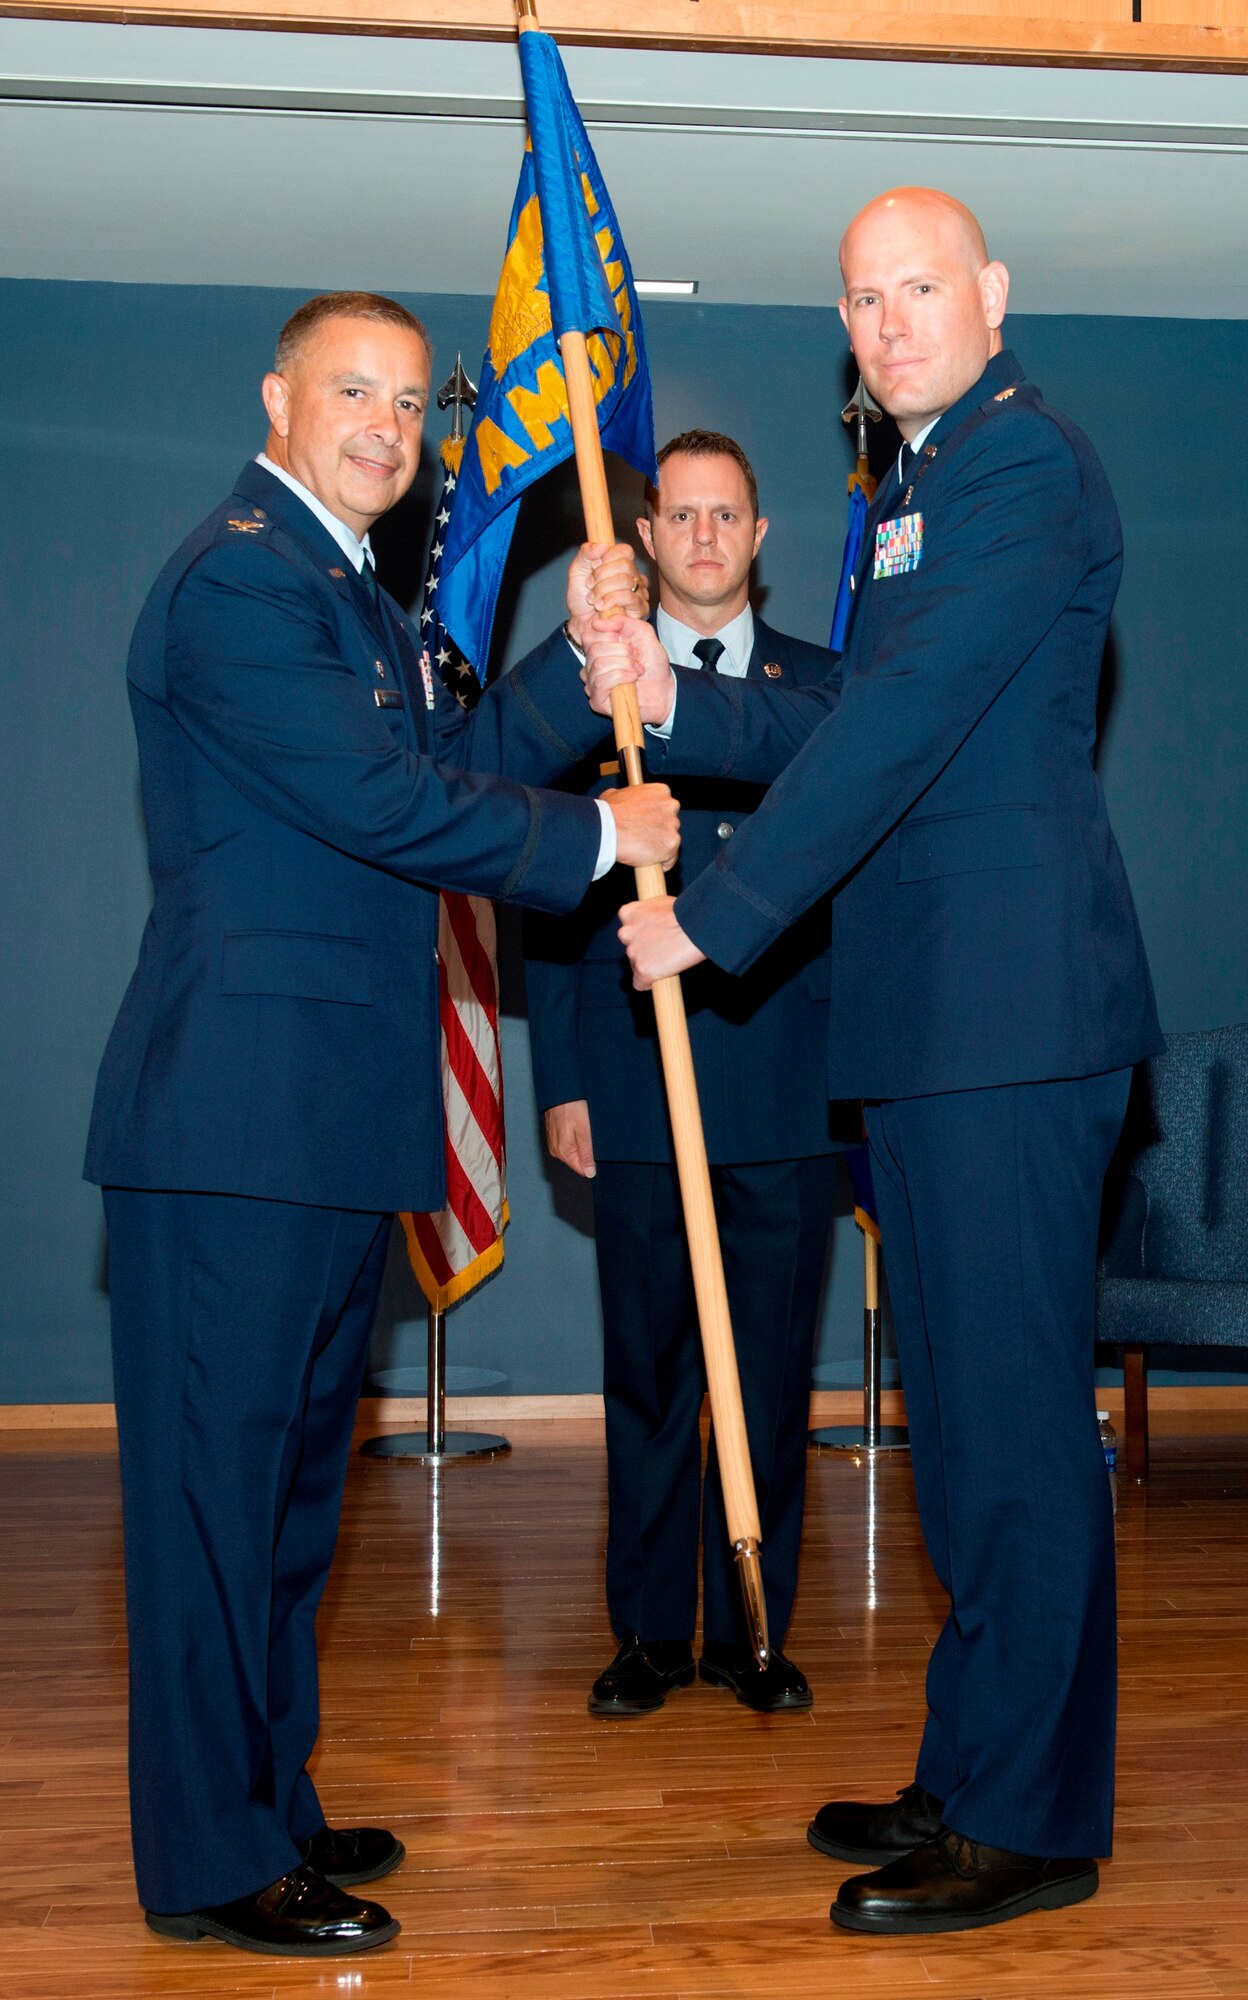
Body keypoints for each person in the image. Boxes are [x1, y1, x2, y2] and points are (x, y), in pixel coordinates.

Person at [584, 188, 1161, 1935]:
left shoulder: (1017, 466)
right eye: (862, 297)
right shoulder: (908, 494)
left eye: (920, 286)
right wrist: (673, 703)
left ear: (991, 294)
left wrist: (720, 908)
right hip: (928, 1033)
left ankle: (1033, 1820)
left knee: (1006, 1436)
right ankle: (972, 1763)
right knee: (962, 1426)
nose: (889, 318)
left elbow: (905, 728)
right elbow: (849, 706)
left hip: (1008, 1023)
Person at [84, 290, 679, 1958]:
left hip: (327, 1122)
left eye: (411, 404)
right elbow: (379, 802)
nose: (386, 427)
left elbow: (458, 749)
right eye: (353, 391)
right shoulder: (239, 583)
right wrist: (594, 839)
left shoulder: (351, 598)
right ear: (277, 399)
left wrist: (581, 653)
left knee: (281, 1507)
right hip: (232, 1127)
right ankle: (210, 1863)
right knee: (218, 1507)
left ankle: (265, 1799)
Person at [525, 432, 841, 1719]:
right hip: (635, 1078)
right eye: (681, 517)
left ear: (760, 536)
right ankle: (653, 1631)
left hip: (780, 1075)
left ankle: (755, 1626)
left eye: (728, 515)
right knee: (649, 1370)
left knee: (764, 1369)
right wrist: (560, 1076)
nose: (704, 537)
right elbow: (545, 892)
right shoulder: (585, 690)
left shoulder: (830, 690)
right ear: (644, 539)